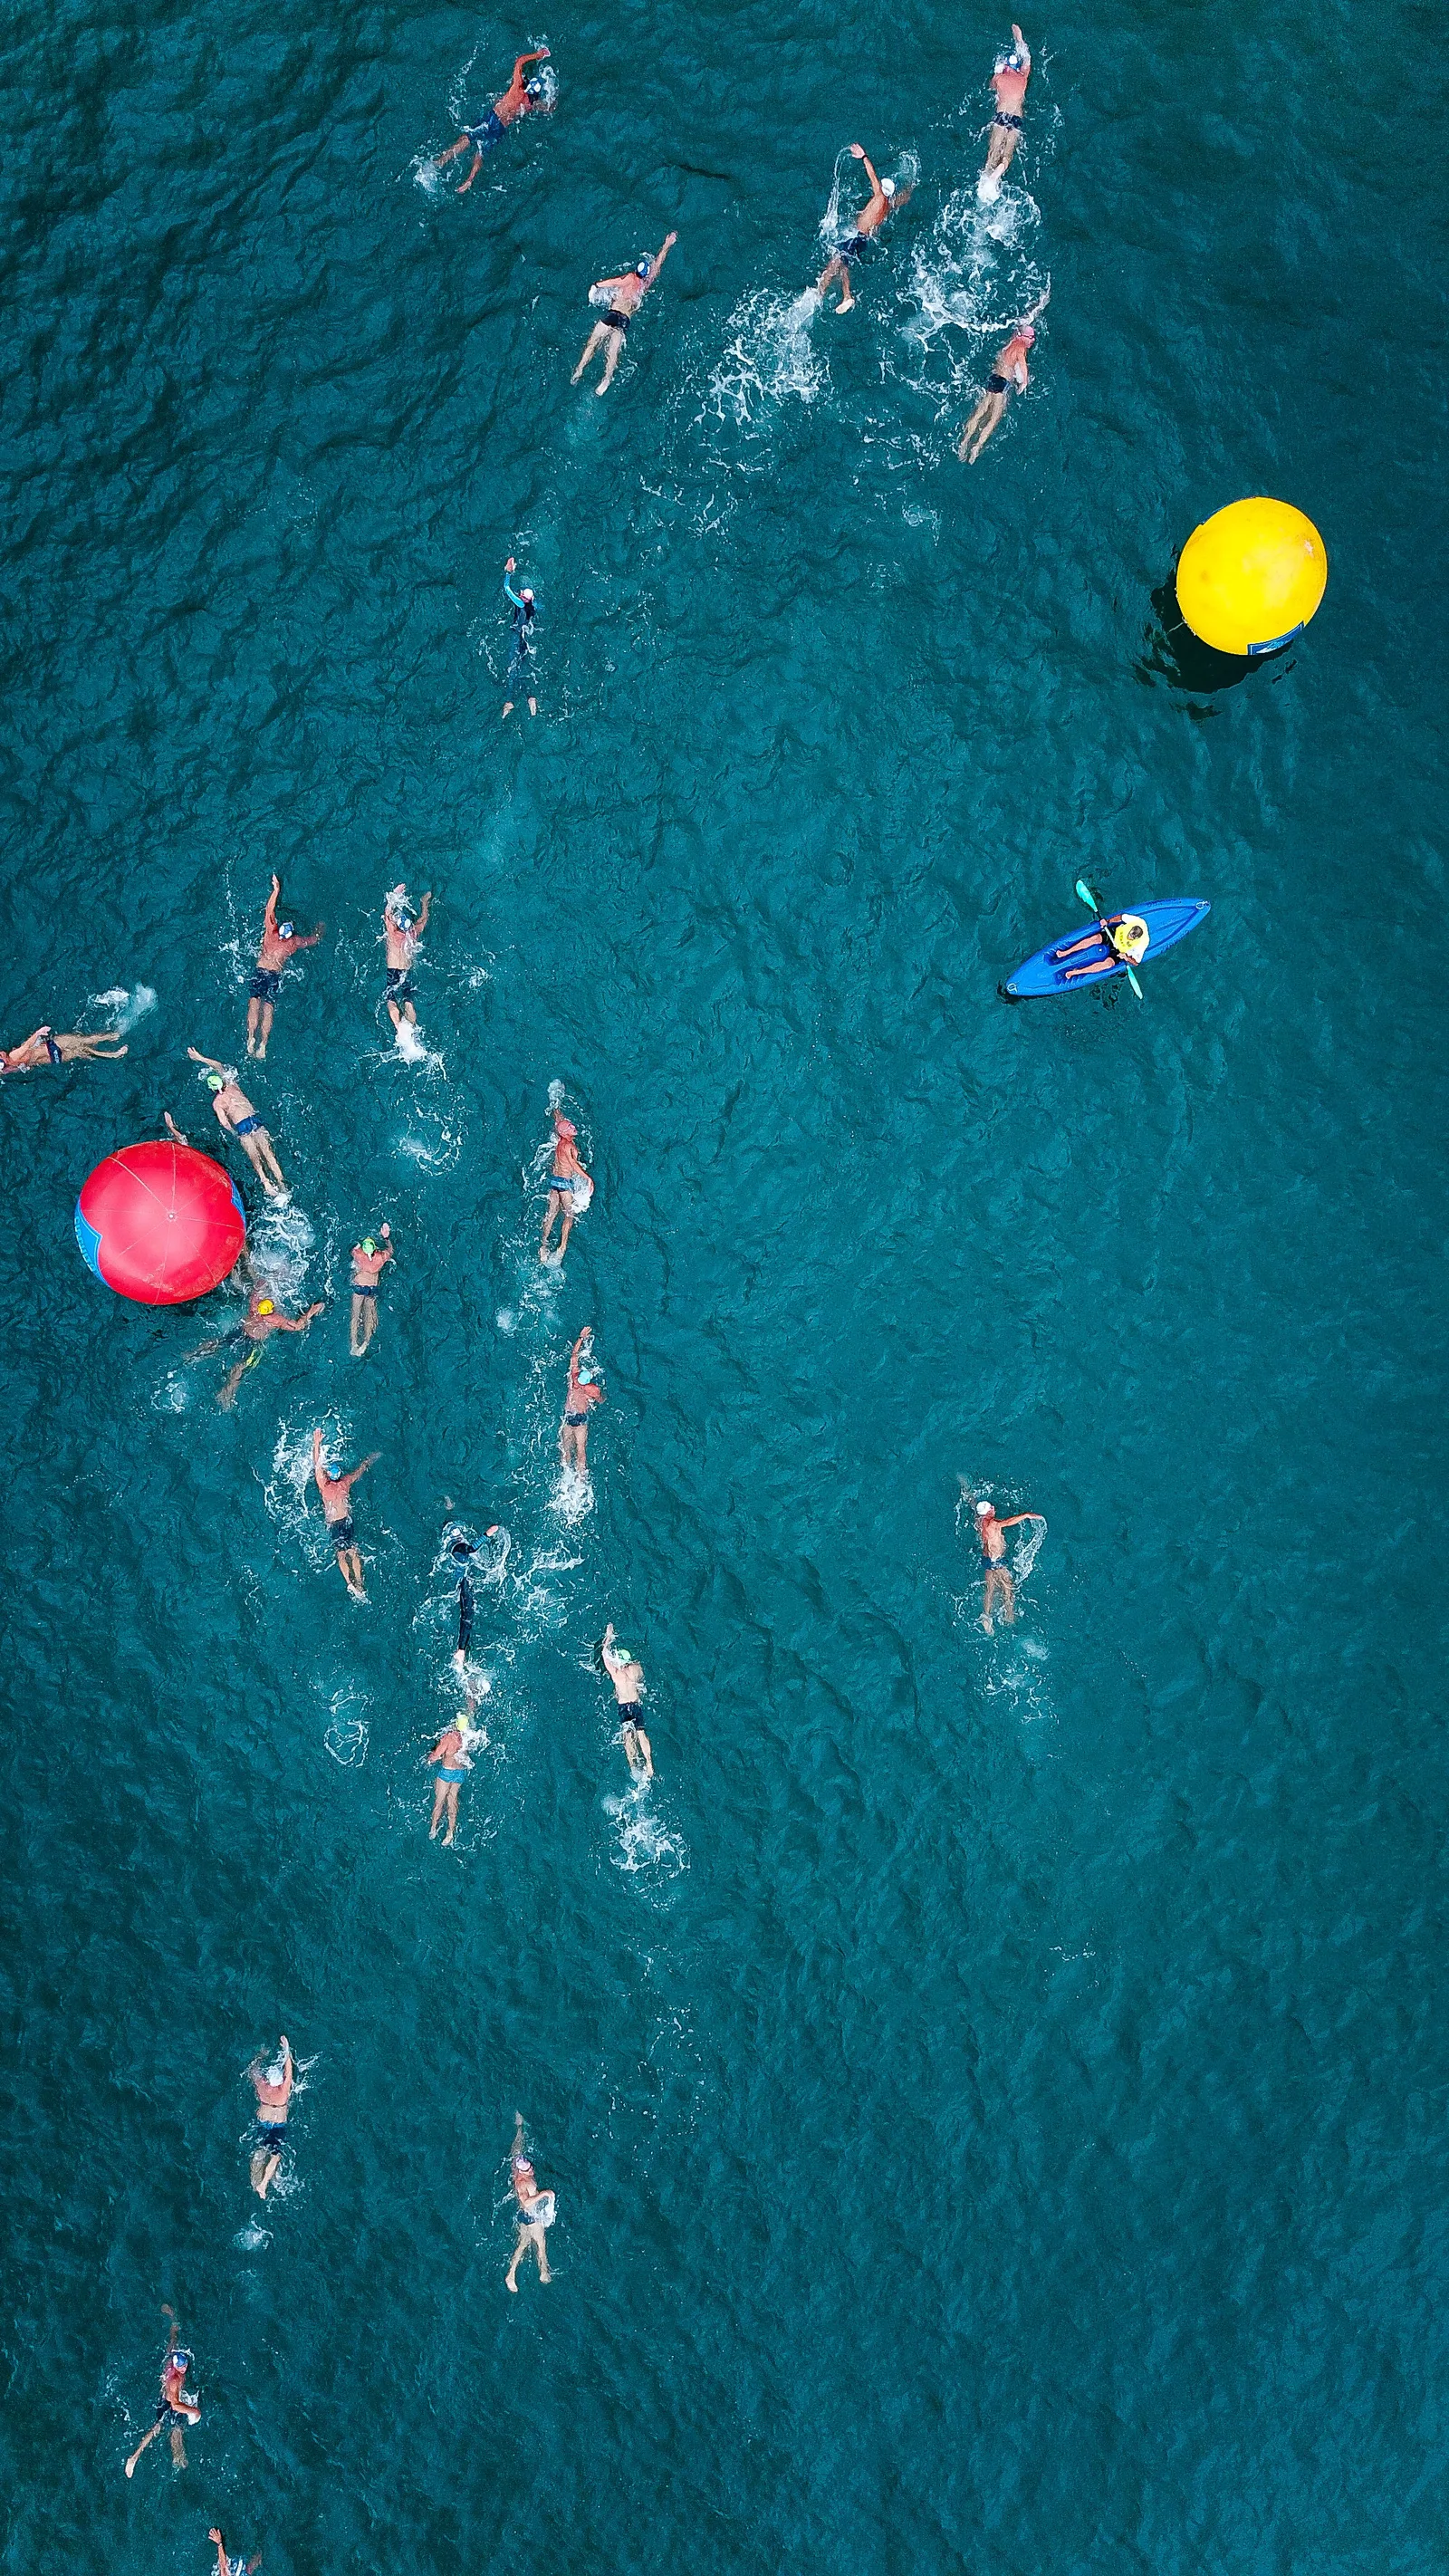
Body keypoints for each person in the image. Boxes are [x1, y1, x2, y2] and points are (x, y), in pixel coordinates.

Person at [434, 45, 552, 194]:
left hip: (492, 118)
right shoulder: (530, 105)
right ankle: (470, 178)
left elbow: (519, 61)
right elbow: (548, 108)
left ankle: (441, 161)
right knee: (480, 152)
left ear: (527, 84)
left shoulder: (517, 88)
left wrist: (538, 54)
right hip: (500, 129)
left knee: (467, 139)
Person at [571, 233, 678, 396]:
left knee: (593, 342)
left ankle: (579, 370)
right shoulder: (645, 284)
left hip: (613, 314)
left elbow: (614, 282)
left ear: (636, 271)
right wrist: (667, 244)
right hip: (625, 320)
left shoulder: (630, 278)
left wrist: (597, 285)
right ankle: (606, 379)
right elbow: (659, 262)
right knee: (612, 352)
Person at [197, 1283, 324, 1410]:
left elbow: (255, 1285)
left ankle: (195, 1357)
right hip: (252, 1342)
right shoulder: (274, 1318)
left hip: (244, 1334)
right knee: (238, 1366)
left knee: (221, 1347)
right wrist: (311, 1311)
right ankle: (226, 1396)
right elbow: (298, 1326)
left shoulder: (256, 1303)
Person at [817, 146, 908, 313]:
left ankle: (820, 295)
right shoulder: (888, 205)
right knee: (843, 263)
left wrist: (864, 157)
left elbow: (872, 176)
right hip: (862, 240)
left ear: (882, 189)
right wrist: (910, 188)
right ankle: (845, 295)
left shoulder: (879, 197)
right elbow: (901, 199)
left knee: (834, 265)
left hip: (857, 237)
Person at [187, 1048, 289, 1197]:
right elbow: (218, 1066)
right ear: (222, 1081)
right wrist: (200, 1057)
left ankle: (266, 1182)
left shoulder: (218, 1103)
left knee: (254, 1157)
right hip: (255, 1121)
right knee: (268, 1154)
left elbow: (224, 1123)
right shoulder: (233, 1086)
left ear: (211, 1088)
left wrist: (235, 1133)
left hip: (242, 1127)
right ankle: (281, 1183)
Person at [247, 876, 323, 1060]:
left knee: (254, 1002)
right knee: (268, 1008)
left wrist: (276, 890)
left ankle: (250, 1039)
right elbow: (312, 941)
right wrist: (320, 929)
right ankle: (263, 1045)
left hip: (260, 971)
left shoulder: (270, 932)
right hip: (274, 976)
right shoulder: (294, 943)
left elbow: (269, 910)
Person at [124, 2309, 200, 2478]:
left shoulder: (170, 2357)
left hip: (163, 2400)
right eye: (182, 2367)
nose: (184, 2368)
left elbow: (173, 2338)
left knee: (164, 2428)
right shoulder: (176, 2380)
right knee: (172, 2429)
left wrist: (173, 2319)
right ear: (176, 2366)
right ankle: (137, 2458)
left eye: (185, 2365)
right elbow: (175, 2404)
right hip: (170, 2405)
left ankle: (177, 2459)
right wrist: (194, 2410)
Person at [311, 1429, 379, 1600]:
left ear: (328, 1476)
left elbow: (317, 1464)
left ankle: (349, 1583)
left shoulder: (324, 1486)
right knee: (353, 1551)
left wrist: (317, 1443)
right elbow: (359, 1471)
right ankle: (359, 1582)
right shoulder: (345, 1483)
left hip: (334, 1524)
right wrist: (369, 1460)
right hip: (347, 1522)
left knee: (341, 1553)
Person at [957, 322, 1035, 464]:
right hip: (1002, 383)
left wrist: (1040, 304)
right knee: (993, 419)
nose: (1033, 340)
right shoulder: (1020, 349)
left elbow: (1025, 323)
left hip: (993, 379)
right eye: (1030, 337)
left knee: (980, 411)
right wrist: (1023, 384)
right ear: (1023, 337)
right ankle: (976, 448)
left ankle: (964, 443)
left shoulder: (1012, 340)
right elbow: (1023, 367)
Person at [971, 1495, 1047, 1631]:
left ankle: (986, 1615)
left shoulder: (979, 1521)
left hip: (987, 1560)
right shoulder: (994, 1524)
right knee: (1009, 1588)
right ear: (989, 1512)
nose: (994, 1509)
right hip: (997, 1561)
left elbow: (974, 1506)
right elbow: (1007, 1522)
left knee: (990, 1589)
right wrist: (1026, 1515)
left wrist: (969, 1496)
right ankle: (1009, 1617)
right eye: (991, 1508)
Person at [504, 2112, 556, 2291]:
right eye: (529, 2169)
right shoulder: (525, 2182)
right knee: (540, 2244)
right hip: (531, 2216)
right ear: (524, 2172)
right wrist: (545, 2194)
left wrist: (519, 2129)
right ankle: (543, 2272)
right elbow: (526, 2202)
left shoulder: (516, 2171)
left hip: (523, 2216)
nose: (531, 2170)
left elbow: (515, 2151)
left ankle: (511, 2274)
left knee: (523, 2243)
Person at [980, 26, 1032, 200]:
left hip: (1001, 117)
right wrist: (1020, 38)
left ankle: (986, 180)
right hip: (1016, 118)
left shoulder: (999, 78)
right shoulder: (1023, 77)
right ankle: (996, 177)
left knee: (993, 153)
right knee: (1007, 155)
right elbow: (1027, 58)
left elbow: (990, 87)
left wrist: (997, 73)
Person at [540, 1107, 592, 1264]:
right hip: (564, 1183)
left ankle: (543, 1245)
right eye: (570, 1128)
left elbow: (558, 1123)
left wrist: (556, 1108)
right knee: (569, 1214)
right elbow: (573, 1164)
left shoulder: (561, 1141)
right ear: (565, 1133)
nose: (573, 1128)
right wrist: (588, 1178)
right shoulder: (570, 1146)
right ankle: (562, 1248)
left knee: (551, 1213)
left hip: (554, 1181)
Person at [601, 1622, 653, 1782]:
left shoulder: (616, 1674)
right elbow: (640, 1681)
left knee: (628, 1737)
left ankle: (633, 1766)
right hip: (636, 1704)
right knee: (641, 1734)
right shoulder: (637, 1668)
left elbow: (604, 1653)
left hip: (624, 1707)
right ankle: (649, 1764)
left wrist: (608, 1636)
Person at [382, 887, 432, 1035]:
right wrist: (424, 903)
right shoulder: (413, 933)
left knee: (391, 1000)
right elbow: (424, 919)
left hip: (393, 971)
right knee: (408, 1001)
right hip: (406, 972)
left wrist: (395, 895)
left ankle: (398, 1026)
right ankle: (411, 1027)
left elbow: (387, 913)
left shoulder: (392, 932)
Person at [248, 2036, 293, 2198]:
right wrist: (286, 2049)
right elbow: (289, 2072)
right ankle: (263, 2185)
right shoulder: (283, 2091)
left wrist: (260, 2055)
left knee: (260, 2150)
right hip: (278, 2124)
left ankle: (254, 2180)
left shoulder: (262, 2086)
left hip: (263, 2120)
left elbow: (252, 2070)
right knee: (275, 2156)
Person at [427, 1708, 477, 1845]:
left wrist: (429, 1758)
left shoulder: (448, 1738)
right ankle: (450, 1833)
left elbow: (435, 1756)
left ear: (455, 1725)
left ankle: (433, 1828)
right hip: (459, 1774)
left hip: (446, 1773)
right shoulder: (468, 1738)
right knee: (452, 1801)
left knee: (439, 1802)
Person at [1055, 914, 1151, 981]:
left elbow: (1136, 962)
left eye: (1130, 938)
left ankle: (1076, 972)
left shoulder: (1142, 943)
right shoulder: (1136, 921)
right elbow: (1121, 917)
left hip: (1120, 951)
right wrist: (1108, 921)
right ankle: (1066, 952)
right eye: (1129, 934)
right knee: (1096, 938)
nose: (1128, 937)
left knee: (1108, 964)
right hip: (1113, 935)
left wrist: (1126, 957)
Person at [560, 1327, 604, 1473]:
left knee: (566, 1449)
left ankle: (565, 1474)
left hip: (568, 1417)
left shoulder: (573, 1379)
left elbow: (574, 1356)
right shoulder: (591, 1389)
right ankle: (580, 1479)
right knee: (581, 1450)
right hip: (581, 1419)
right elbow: (601, 1400)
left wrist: (581, 1337)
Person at [0, 1024, 128, 1072]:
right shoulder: (13, 1056)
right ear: (4, 1060)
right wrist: (39, 1032)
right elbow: (27, 1045)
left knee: (83, 1052)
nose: (1, 1052)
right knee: (83, 1041)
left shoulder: (8, 1069)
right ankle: (113, 1036)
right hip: (51, 1046)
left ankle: (114, 1054)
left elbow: (28, 1067)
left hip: (51, 1058)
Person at [350, 1223, 393, 1358]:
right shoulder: (381, 1257)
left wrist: (357, 1246)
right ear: (375, 1249)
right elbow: (391, 1251)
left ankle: (354, 1344)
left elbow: (353, 1249)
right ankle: (366, 1342)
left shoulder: (358, 1255)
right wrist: (386, 1238)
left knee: (355, 1316)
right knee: (369, 1315)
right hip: (372, 1289)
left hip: (359, 1288)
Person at [502, 559, 537, 720]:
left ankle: (509, 701)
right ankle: (530, 697)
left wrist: (508, 573)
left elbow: (506, 589)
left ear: (522, 597)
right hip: (526, 637)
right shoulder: (533, 607)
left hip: (516, 637)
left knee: (512, 669)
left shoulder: (520, 604)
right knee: (524, 666)